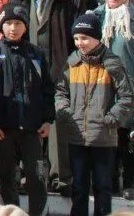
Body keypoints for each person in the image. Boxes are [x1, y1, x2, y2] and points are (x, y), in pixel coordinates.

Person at [6, 0, 79, 193]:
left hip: (61, 69)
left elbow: (77, 38)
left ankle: (60, 177)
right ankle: (32, 177)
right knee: (30, 125)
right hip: (28, 72)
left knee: (58, 124)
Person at [0, 4, 54, 216]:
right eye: (8, 23)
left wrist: (48, 119)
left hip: (33, 128)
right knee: (7, 178)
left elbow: (48, 89)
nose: (13, 28)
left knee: (37, 176)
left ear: (25, 26)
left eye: (18, 23)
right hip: (2, 128)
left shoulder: (36, 54)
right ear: (2, 26)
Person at [56, 13, 134, 216]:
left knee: (103, 187)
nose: (79, 43)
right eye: (76, 38)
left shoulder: (112, 63)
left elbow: (127, 97)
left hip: (104, 137)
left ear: (97, 37)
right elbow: (60, 92)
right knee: (79, 187)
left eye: (84, 38)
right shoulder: (72, 63)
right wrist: (65, 112)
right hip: (76, 136)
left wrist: (112, 118)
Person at [91, 0, 134, 198]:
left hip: (129, 86)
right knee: (108, 134)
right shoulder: (95, 17)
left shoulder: (133, 18)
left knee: (128, 136)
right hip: (102, 86)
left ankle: (129, 181)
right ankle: (107, 181)